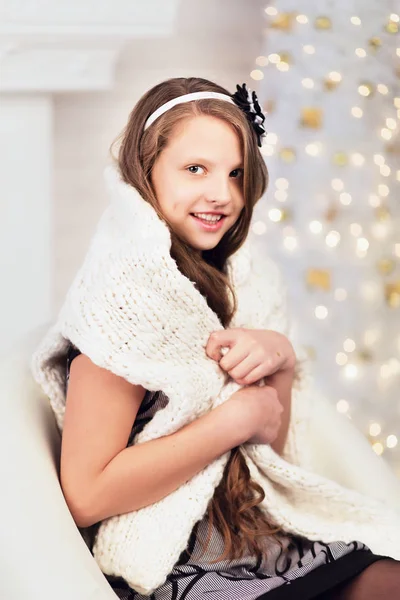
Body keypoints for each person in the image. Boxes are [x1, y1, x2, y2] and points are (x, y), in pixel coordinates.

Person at [57, 77, 399, 599]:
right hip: (176, 563)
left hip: (253, 532)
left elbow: (267, 453)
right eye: (196, 169)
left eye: (236, 174)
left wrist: (278, 361)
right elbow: (86, 493)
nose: (222, 194)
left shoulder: (240, 278)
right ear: (144, 172)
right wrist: (230, 422)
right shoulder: (123, 303)